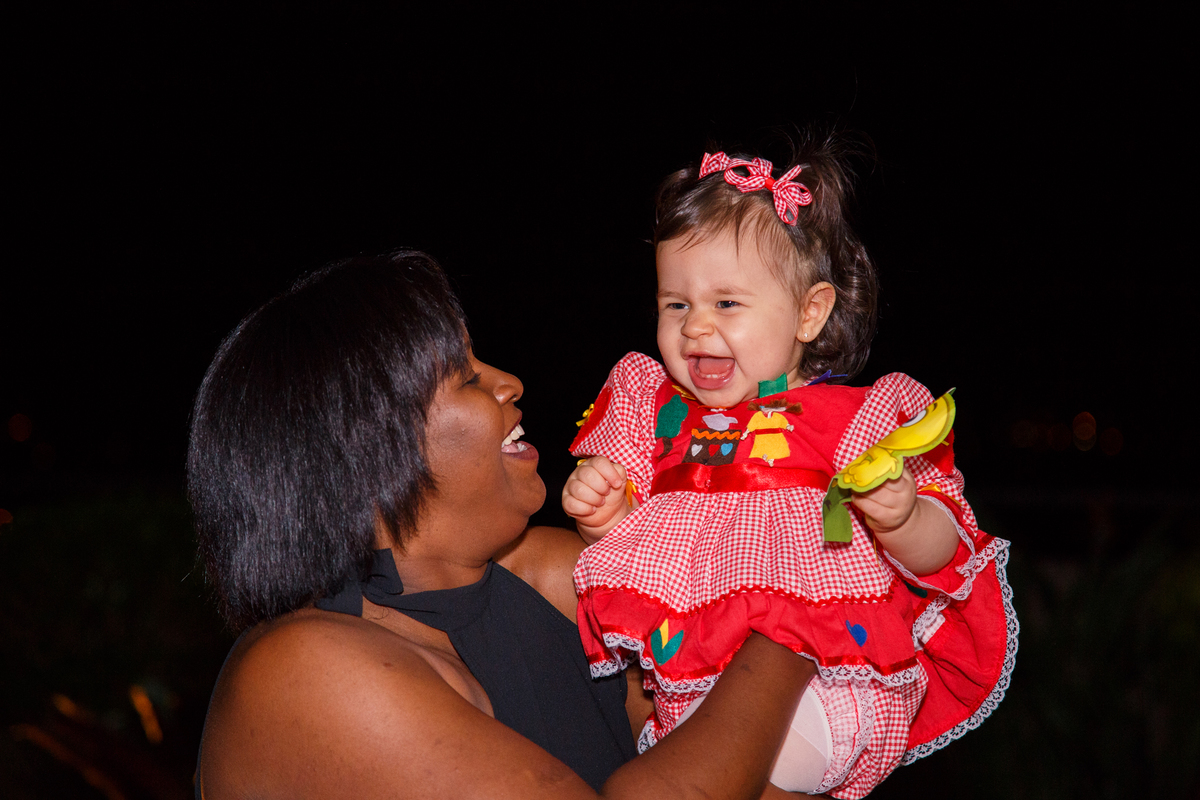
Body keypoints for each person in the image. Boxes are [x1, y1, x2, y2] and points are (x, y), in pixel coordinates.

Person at [186, 249, 819, 800]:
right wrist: (796, 615)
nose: (510, 383)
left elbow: (728, 766)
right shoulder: (301, 675)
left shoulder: (553, 579)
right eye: (465, 377)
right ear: (367, 447)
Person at [562, 136, 1018, 798]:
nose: (694, 328)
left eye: (726, 303)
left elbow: (945, 551)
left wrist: (904, 517)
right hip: (691, 683)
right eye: (676, 304)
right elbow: (634, 558)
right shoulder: (655, 414)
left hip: (827, 683)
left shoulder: (852, 420)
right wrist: (604, 518)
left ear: (810, 312)